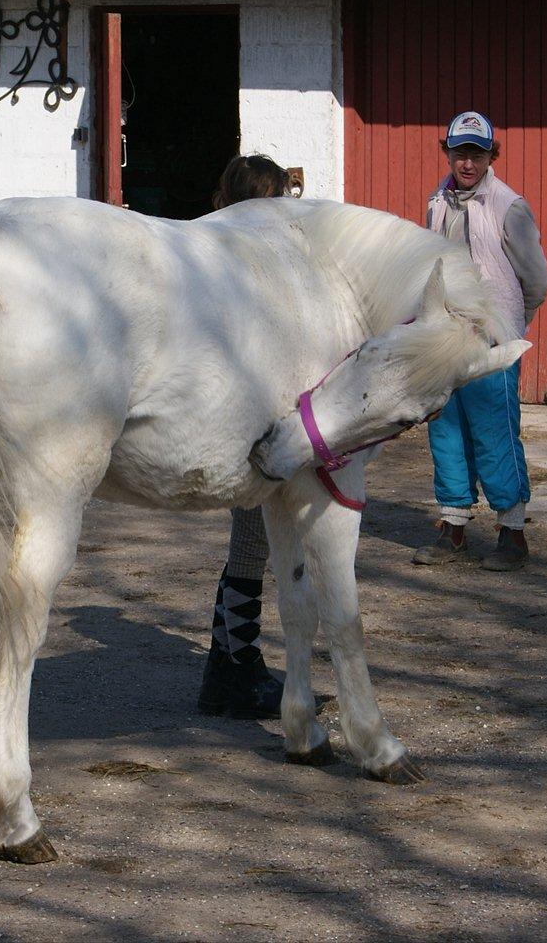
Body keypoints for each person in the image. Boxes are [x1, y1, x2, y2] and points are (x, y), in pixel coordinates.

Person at [413, 112, 547, 571]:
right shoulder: (437, 200)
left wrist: (510, 322)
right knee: (446, 429)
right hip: (445, 335)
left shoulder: (509, 205)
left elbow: (537, 280)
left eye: (476, 152)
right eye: (459, 151)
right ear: (447, 151)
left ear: (492, 155)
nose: (466, 162)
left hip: (492, 338)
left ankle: (512, 534)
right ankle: (453, 530)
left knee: (495, 432)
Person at [198, 155, 297, 719]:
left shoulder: (217, 244)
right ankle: (237, 666)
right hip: (244, 409)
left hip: (234, 402)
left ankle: (229, 664)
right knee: (252, 540)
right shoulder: (245, 256)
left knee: (250, 543)